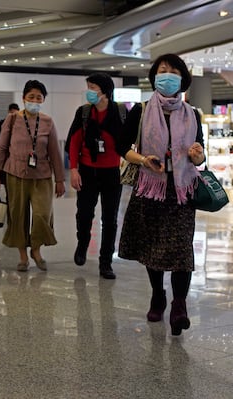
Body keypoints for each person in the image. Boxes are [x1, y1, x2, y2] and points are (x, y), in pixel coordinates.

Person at [116, 53, 205, 336]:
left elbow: (199, 153)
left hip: (181, 192)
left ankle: (179, 305)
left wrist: (197, 155)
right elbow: (122, 146)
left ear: (182, 78)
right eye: (161, 70)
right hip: (150, 188)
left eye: (172, 71)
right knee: (152, 249)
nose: (166, 75)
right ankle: (158, 295)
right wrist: (142, 160)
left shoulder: (192, 114)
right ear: (154, 76)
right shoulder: (140, 111)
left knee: (181, 251)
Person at [0, 80, 66, 272]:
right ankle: (23, 256)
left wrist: (59, 180)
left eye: (38, 97)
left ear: (43, 100)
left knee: (42, 214)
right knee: (18, 215)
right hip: (15, 174)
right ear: (24, 98)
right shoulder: (13, 119)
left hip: (41, 175)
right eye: (31, 96)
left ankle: (36, 249)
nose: (34, 100)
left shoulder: (47, 121)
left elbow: (56, 153)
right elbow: (1, 148)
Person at [67, 72, 127, 279]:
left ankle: (106, 262)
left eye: (93, 87)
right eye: (88, 87)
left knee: (109, 219)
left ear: (105, 91)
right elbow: (74, 142)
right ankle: (82, 243)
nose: (89, 92)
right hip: (87, 171)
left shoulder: (119, 112)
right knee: (84, 214)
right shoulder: (83, 113)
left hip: (112, 172)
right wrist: (73, 169)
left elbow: (129, 141)